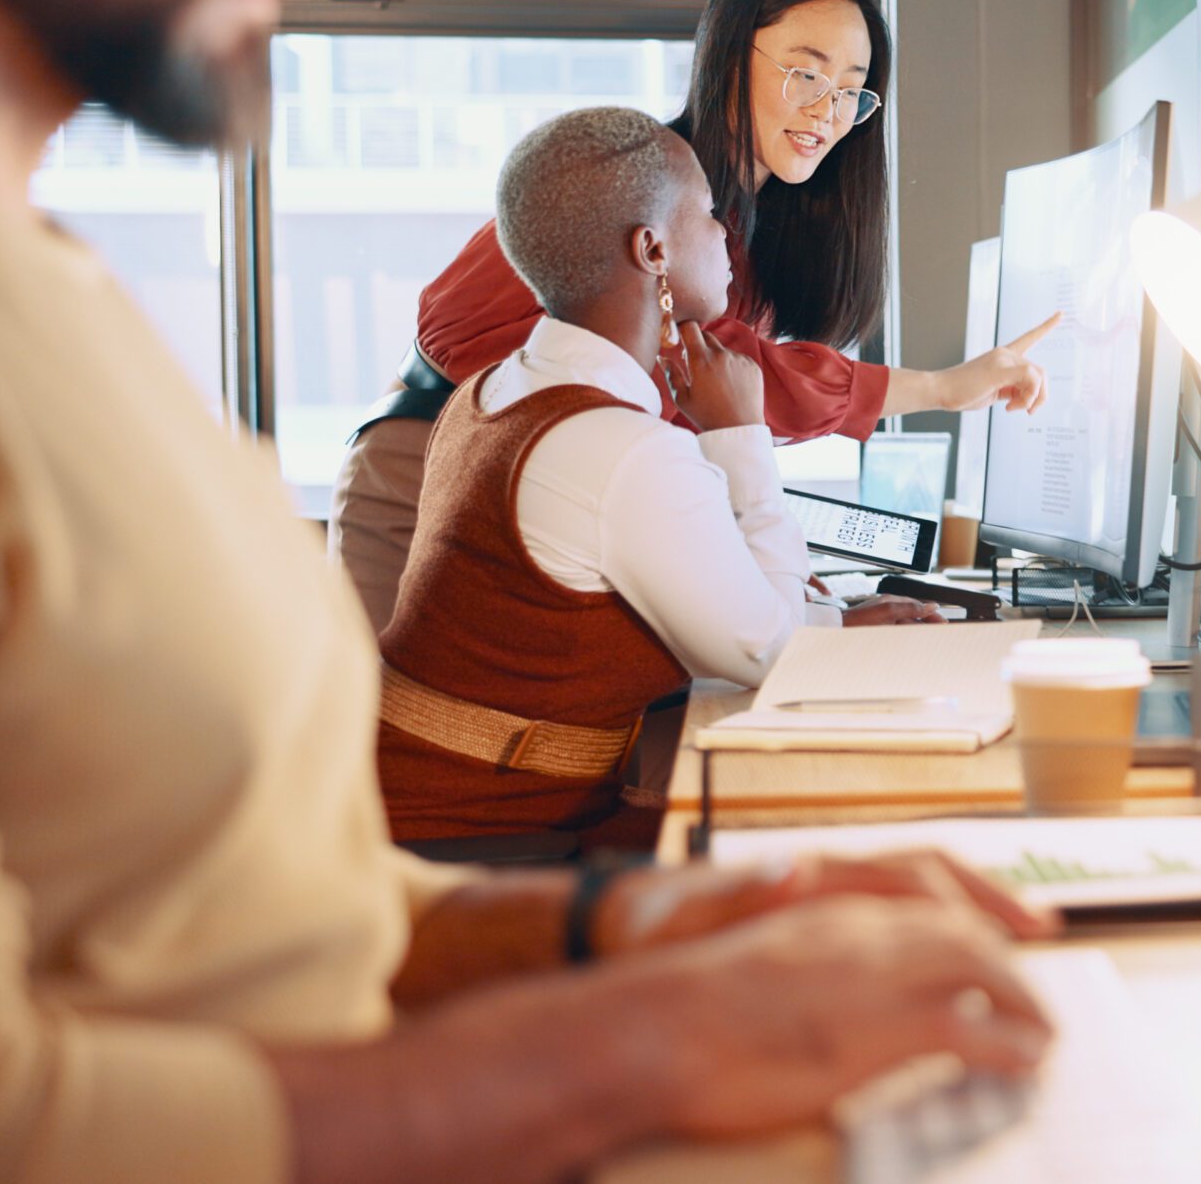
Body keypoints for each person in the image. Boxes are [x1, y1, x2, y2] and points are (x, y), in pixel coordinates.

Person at [0, 0, 1053, 1178]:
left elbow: (266, 902)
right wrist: (631, 1044)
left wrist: (625, 933)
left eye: (851, 86)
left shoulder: (47, 294)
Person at [330, 0, 1062, 630]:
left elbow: (697, 416)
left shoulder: (746, 229)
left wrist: (803, 606)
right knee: (412, 742)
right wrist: (940, 389)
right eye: (806, 73)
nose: (827, 112)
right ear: (727, 55)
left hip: (543, 495)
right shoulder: (636, 181)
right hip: (425, 477)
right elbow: (723, 375)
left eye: (851, 91)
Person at [380, 105, 915, 847]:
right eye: (708, 213)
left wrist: (832, 621)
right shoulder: (618, 448)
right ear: (652, 248)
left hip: (421, 808)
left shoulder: (498, 391)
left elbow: (697, 598)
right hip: (476, 841)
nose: (729, 234)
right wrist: (739, 435)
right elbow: (772, 654)